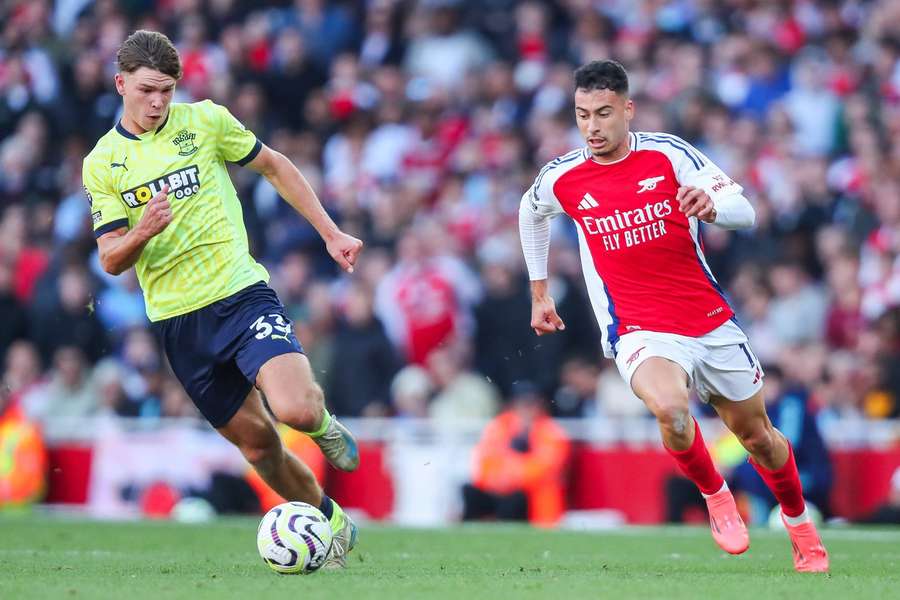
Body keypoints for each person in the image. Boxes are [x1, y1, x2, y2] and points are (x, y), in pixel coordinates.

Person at [518, 60, 828, 572]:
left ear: (627, 109)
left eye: (602, 113)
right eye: (581, 115)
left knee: (760, 439)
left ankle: (799, 525)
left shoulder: (669, 154)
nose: (592, 127)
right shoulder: (564, 177)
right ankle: (716, 496)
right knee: (671, 410)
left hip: (707, 320)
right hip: (638, 326)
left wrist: (711, 208)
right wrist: (539, 291)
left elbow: (745, 212)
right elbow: (530, 212)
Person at [82, 31, 362, 567]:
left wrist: (331, 233)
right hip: (178, 323)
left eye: (166, 89)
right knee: (259, 446)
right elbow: (111, 259)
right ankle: (330, 521)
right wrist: (143, 231)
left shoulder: (206, 121)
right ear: (121, 85)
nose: (158, 102)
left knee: (297, 410)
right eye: (147, 90)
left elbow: (276, 166)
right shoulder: (102, 164)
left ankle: (324, 427)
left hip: (240, 293)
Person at [462, 381, 570, 527]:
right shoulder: (498, 426)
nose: (527, 409)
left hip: (529, 494)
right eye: (523, 404)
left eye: (531, 404)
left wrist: (511, 473)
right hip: (499, 488)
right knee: (470, 492)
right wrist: (502, 477)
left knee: (517, 498)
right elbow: (484, 461)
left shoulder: (551, 431)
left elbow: (546, 467)